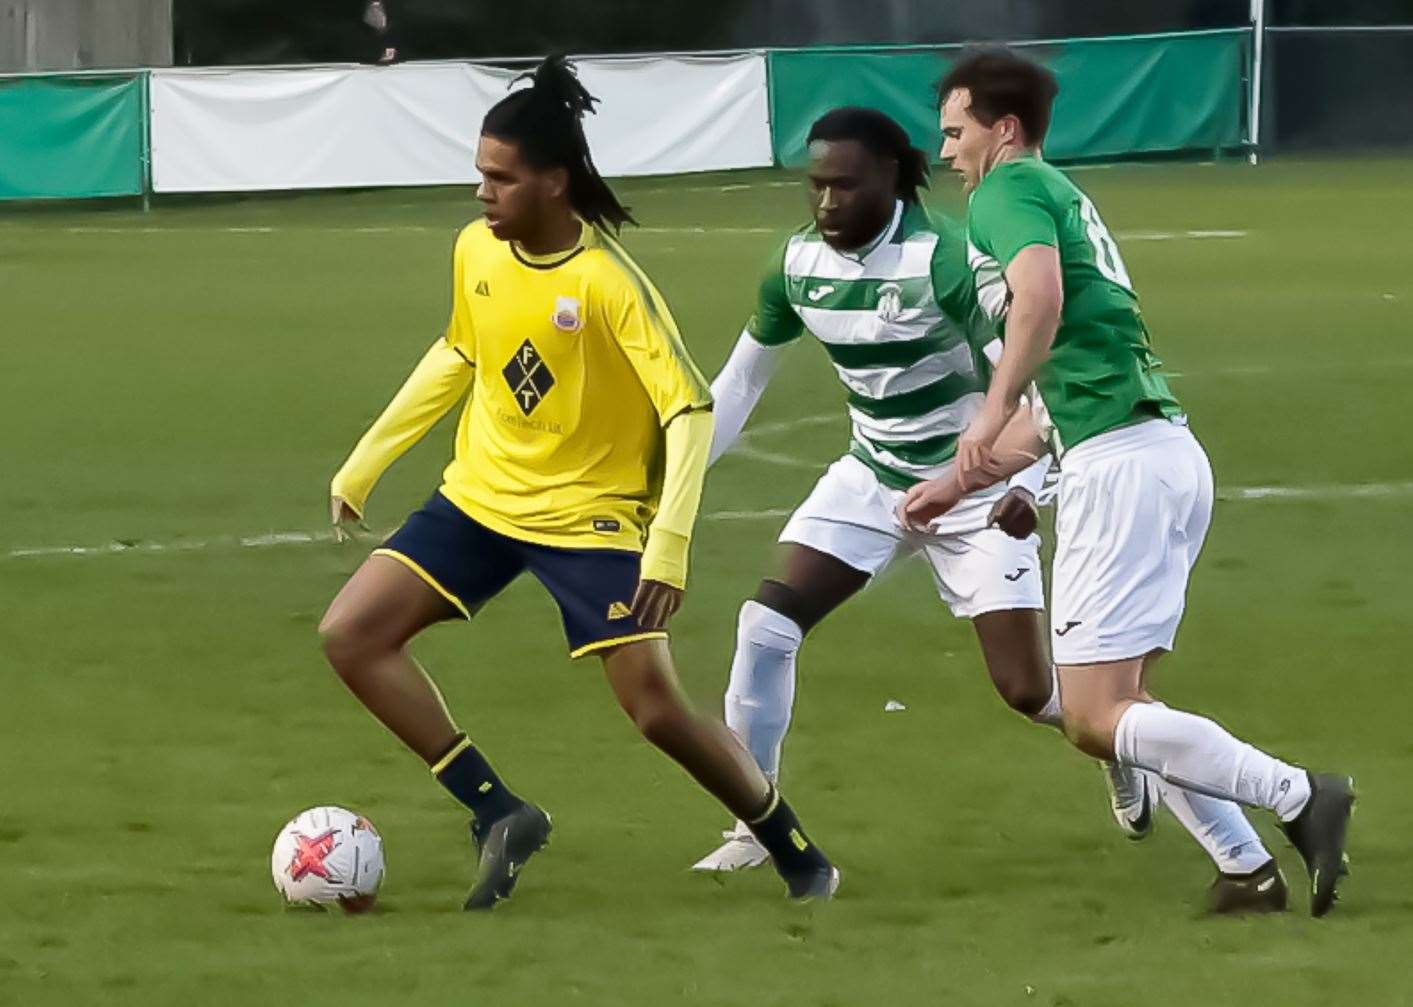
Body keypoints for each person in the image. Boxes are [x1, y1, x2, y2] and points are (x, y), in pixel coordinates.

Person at [318, 55, 838, 909]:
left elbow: (690, 408)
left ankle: (794, 849)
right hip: (481, 496)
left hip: (589, 517)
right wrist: (366, 460)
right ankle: (498, 810)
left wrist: (664, 548)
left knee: (657, 711)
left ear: (554, 182)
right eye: (480, 174)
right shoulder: (474, 252)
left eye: (501, 178)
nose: (482, 194)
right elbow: (459, 350)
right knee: (352, 634)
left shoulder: (606, 283)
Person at [903, 48, 1353, 915]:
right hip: (1153, 455)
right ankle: (1245, 869)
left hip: (1122, 471)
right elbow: (1055, 396)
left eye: (955, 131)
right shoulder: (1054, 192)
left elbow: (1039, 303)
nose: (946, 149)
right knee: (1125, 700)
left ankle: (1299, 794)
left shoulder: (1007, 191)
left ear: (1003, 130)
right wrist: (951, 482)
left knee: (1089, 713)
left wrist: (984, 415)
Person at [689, 106, 1062, 874]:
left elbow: (1029, 392)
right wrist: (673, 486)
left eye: (845, 187)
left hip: (973, 486)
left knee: (1029, 690)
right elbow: (738, 383)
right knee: (764, 625)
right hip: (872, 474)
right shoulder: (794, 264)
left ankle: (1114, 740)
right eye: (815, 187)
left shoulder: (948, 260)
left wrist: (1025, 483)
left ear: (891, 179)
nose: (826, 204)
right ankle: (753, 825)